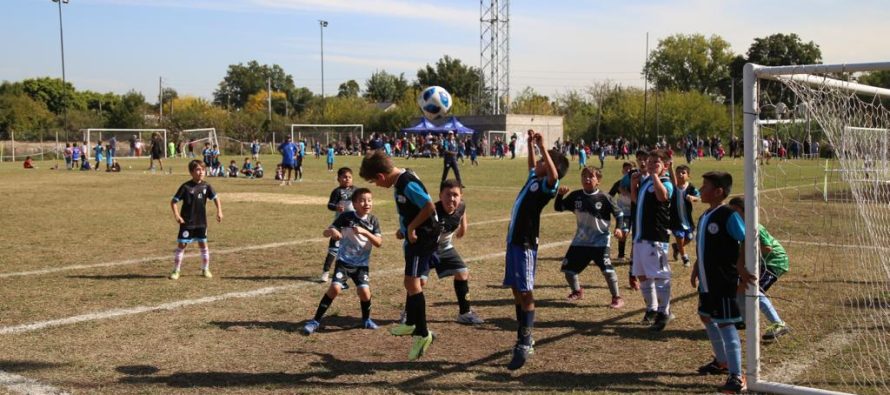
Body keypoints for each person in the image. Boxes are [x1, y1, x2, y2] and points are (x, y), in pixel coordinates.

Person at [359, 150, 439, 361]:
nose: (376, 186)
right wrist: (405, 228)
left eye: (374, 182)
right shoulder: (401, 179)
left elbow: (429, 206)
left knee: (412, 284)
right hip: (416, 235)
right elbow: (412, 208)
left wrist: (411, 227)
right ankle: (411, 323)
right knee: (410, 283)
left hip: (423, 237)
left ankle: (422, 333)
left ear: (380, 176)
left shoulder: (406, 182)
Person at [502, 129, 569, 370]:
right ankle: (522, 334)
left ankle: (525, 340)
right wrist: (531, 145)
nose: (539, 162)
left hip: (526, 244)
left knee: (526, 292)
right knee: (515, 290)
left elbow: (552, 174)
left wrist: (543, 146)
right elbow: (533, 164)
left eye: (543, 160)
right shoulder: (534, 178)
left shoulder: (547, 186)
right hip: (514, 242)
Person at [690, 171, 752, 394]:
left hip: (723, 280)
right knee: (706, 316)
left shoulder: (728, 215)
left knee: (726, 324)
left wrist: (742, 267)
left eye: (705, 185)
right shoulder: (705, 215)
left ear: (718, 191)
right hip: (707, 281)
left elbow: (745, 239)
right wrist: (697, 268)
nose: (700, 189)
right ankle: (722, 361)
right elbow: (703, 247)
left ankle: (737, 375)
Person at [400, 179, 484, 324]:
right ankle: (408, 314)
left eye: (455, 195)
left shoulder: (461, 206)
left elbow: (462, 212)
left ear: (461, 196)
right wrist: (403, 231)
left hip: (444, 248)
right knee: (419, 281)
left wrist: (464, 227)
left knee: (462, 272)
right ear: (440, 196)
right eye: (447, 195)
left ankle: (465, 313)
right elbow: (416, 221)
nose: (451, 199)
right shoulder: (433, 212)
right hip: (426, 249)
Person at [302, 188, 383, 335]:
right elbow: (327, 232)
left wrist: (365, 232)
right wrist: (332, 232)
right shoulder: (346, 217)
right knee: (335, 288)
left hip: (361, 265)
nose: (367, 203)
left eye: (369, 200)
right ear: (354, 204)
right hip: (344, 261)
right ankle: (315, 321)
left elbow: (378, 243)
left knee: (365, 292)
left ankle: (366, 319)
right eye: (362, 200)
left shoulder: (373, 221)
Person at [555, 166, 625, 308]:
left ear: (598, 180)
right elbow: (559, 207)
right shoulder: (576, 196)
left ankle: (617, 297)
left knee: (607, 270)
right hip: (581, 241)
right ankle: (577, 291)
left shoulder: (605, 198)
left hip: (601, 241)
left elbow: (620, 214)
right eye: (584, 176)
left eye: (591, 176)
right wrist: (560, 195)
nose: (587, 179)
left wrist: (618, 228)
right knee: (568, 271)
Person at [727, 197, 791, 342]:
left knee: (754, 289)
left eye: (734, 210)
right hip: (758, 263)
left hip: (774, 262)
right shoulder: (739, 227)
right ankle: (742, 320)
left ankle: (778, 324)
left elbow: (767, 248)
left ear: (745, 211)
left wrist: (749, 251)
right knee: (739, 288)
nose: (731, 214)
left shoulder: (755, 226)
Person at [630, 149, 675, 331]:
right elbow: (636, 201)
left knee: (659, 276)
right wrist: (634, 186)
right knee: (642, 275)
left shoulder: (665, 182)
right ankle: (652, 309)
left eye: (656, 163)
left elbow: (662, 196)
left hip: (655, 238)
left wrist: (655, 176)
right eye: (650, 162)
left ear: (665, 165)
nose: (650, 165)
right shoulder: (646, 181)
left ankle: (665, 312)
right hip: (641, 237)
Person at [169, 160, 223, 280]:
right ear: (191, 172)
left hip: (201, 222)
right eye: (198, 170)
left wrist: (219, 211)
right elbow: (173, 202)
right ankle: (176, 270)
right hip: (187, 222)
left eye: (203, 170)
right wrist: (177, 216)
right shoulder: (185, 187)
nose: (201, 172)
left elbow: (216, 198)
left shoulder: (206, 186)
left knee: (203, 244)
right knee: (182, 244)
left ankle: (205, 269)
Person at [320, 167, 355, 282]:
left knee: (351, 249)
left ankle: (348, 271)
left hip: (353, 225)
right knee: (333, 249)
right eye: (344, 177)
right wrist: (336, 207)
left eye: (349, 177)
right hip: (339, 225)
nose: (347, 179)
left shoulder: (356, 190)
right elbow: (330, 205)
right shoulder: (337, 191)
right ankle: (325, 272)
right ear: (339, 178)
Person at [669, 165, 700, 267]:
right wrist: (670, 166)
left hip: (687, 219)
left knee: (690, 237)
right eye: (678, 173)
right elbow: (671, 175)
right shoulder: (673, 186)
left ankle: (677, 247)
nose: (680, 175)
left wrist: (693, 197)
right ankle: (685, 258)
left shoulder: (690, 187)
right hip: (676, 219)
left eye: (683, 173)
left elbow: (698, 197)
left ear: (688, 176)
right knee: (680, 236)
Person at [608, 162, 634, 264]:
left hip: (636, 212)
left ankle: (634, 256)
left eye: (630, 169)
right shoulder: (619, 184)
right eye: (626, 169)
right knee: (624, 233)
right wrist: (614, 207)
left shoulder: (638, 183)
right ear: (622, 171)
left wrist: (627, 192)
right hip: (624, 212)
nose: (628, 171)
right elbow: (609, 197)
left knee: (637, 235)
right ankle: (621, 255)